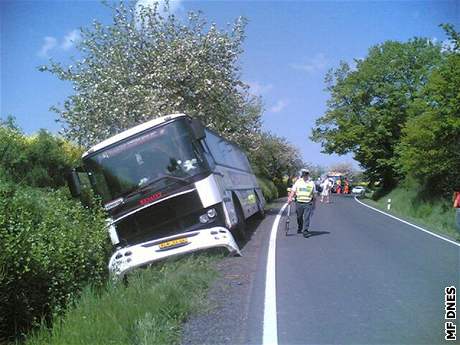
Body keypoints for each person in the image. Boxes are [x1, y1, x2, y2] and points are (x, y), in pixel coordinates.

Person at [288, 169, 316, 237]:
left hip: (308, 203)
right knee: (299, 217)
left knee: (306, 217)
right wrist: (290, 198)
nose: (304, 176)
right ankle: (300, 226)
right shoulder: (298, 182)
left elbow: (314, 194)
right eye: (303, 175)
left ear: (308, 175)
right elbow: (293, 191)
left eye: (306, 175)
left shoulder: (311, 183)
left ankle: (305, 231)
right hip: (299, 202)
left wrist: (314, 204)